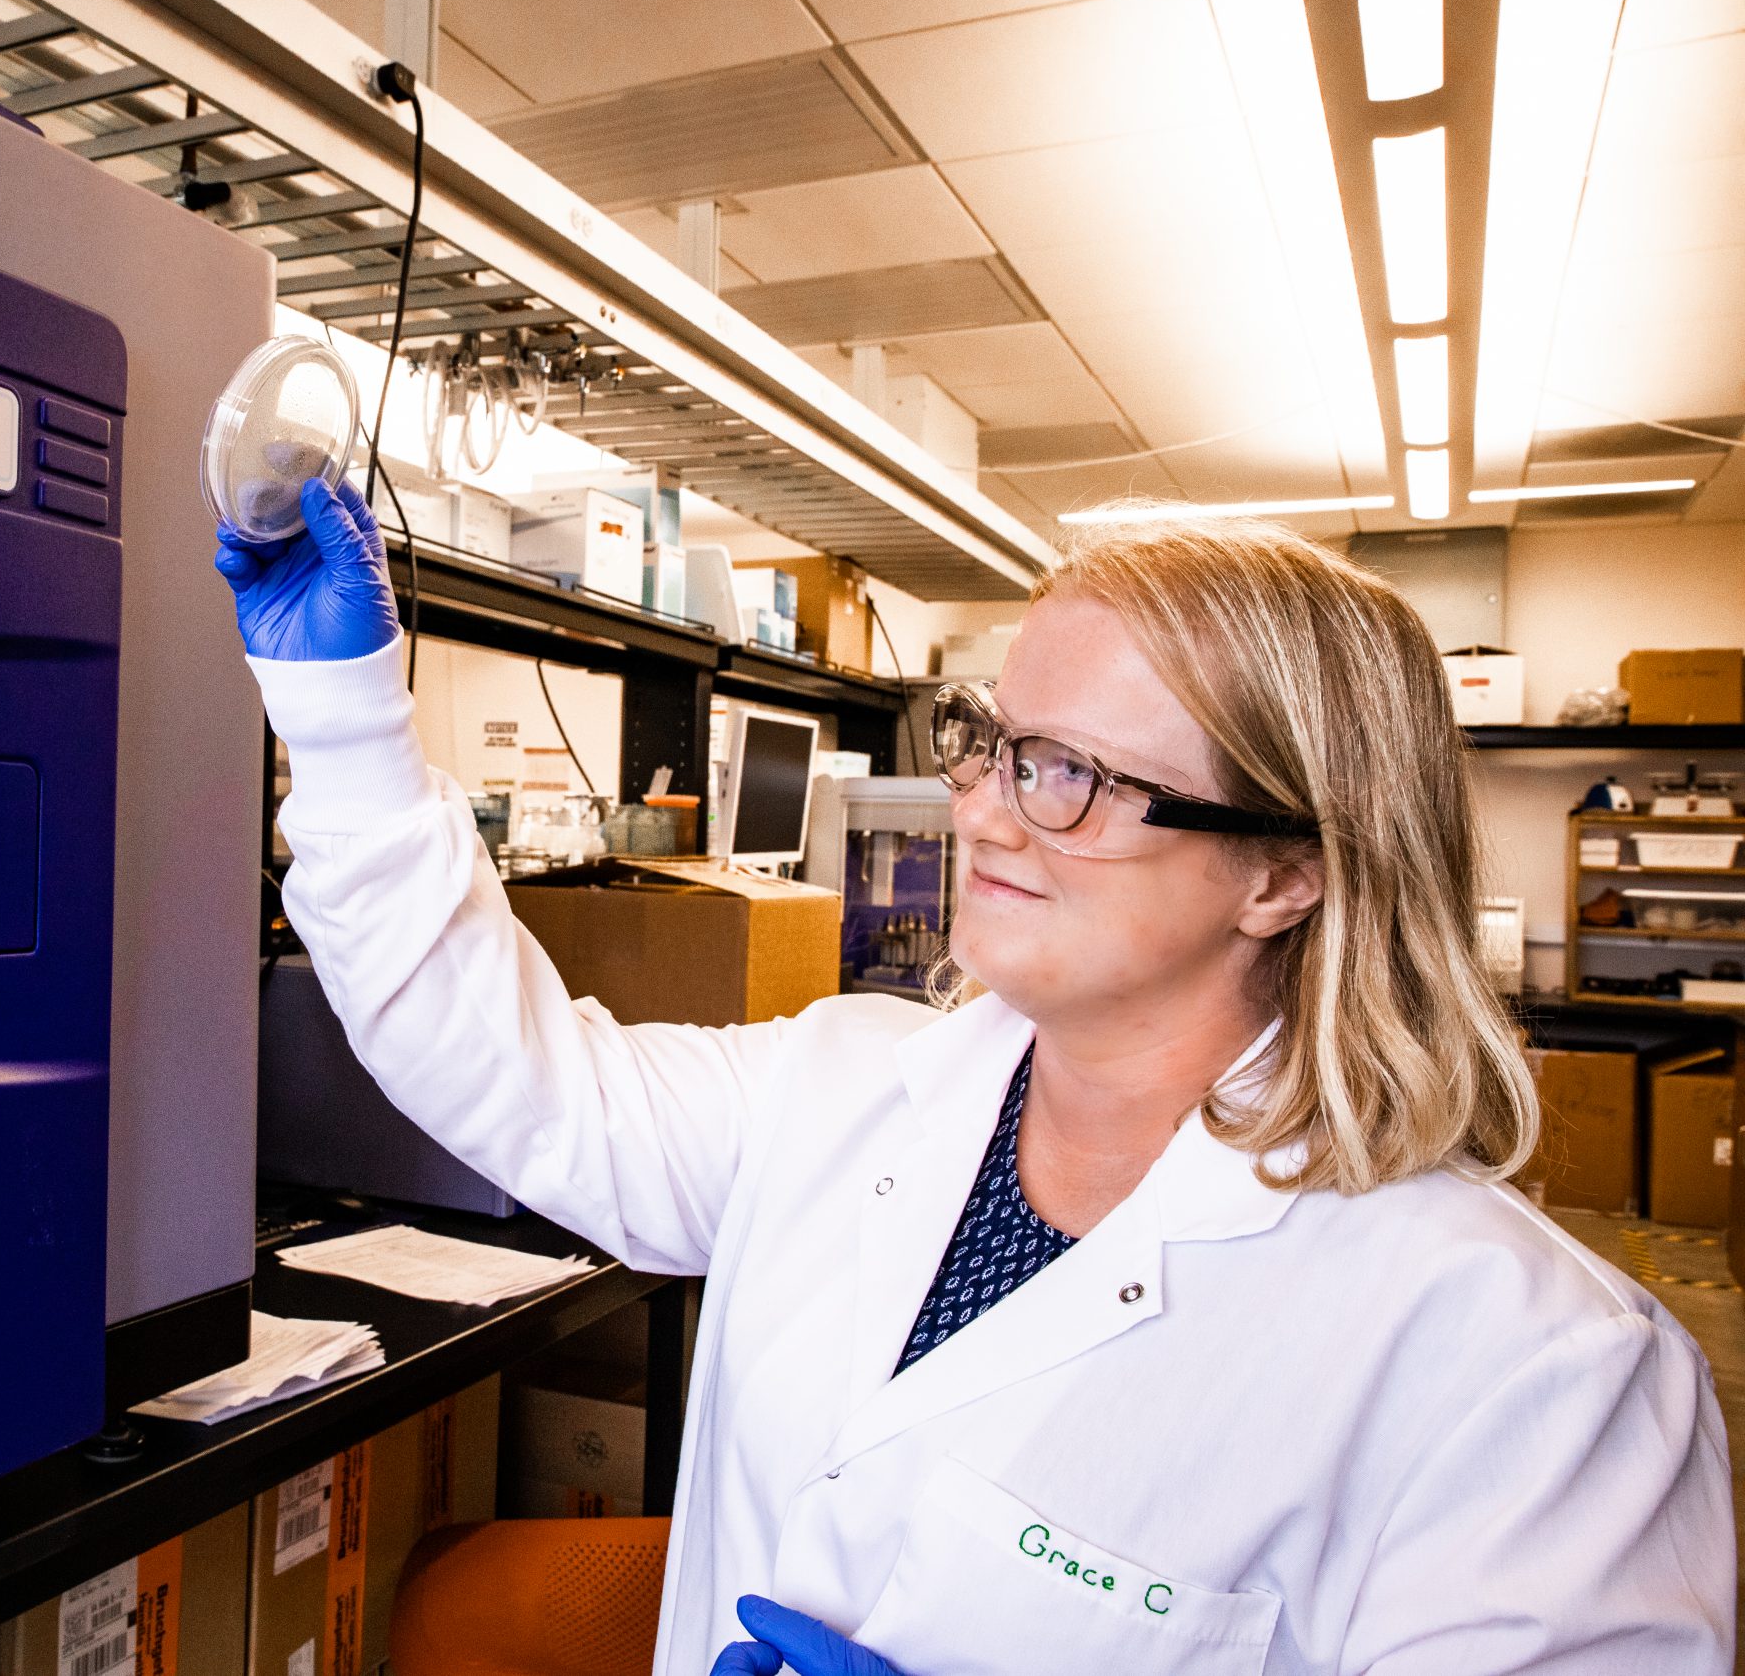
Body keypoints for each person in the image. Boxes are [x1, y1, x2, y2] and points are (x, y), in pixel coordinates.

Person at [215, 478, 1734, 1675]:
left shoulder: (1538, 1378)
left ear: (1284, 869)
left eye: (1067, 773)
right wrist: (347, 712)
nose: (985, 816)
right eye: (992, 742)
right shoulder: (852, 1088)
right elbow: (513, 1072)